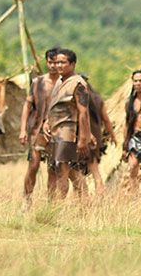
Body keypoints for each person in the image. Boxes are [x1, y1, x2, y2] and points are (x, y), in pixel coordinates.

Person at [45, 49, 90, 200]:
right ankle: (86, 203)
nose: (58, 65)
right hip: (56, 133)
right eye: (57, 62)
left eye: (63, 62)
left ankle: (58, 208)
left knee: (62, 170)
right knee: (71, 171)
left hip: (67, 133)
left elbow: (83, 112)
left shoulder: (78, 83)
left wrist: (83, 139)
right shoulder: (60, 82)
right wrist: (47, 122)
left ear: (72, 64)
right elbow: (55, 106)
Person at [19, 48, 60, 200]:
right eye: (50, 62)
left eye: (56, 63)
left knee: (53, 168)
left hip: (57, 130)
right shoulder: (38, 82)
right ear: (46, 62)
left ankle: (51, 202)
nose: (53, 66)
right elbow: (27, 106)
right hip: (37, 130)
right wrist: (23, 130)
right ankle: (26, 199)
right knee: (33, 165)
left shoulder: (65, 82)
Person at [84, 74, 117, 194]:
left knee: (79, 173)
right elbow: (106, 120)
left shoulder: (78, 100)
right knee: (94, 170)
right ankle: (99, 194)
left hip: (82, 139)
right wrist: (112, 135)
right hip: (96, 139)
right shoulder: (97, 98)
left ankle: (85, 199)